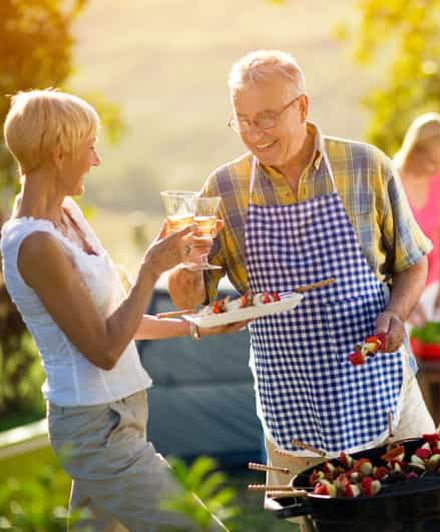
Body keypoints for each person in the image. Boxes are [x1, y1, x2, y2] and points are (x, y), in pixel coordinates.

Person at [166, 50, 436, 485]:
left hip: (381, 389)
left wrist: (397, 314)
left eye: (266, 118)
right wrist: (185, 262)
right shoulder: (224, 188)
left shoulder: (366, 166)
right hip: (291, 404)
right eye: (243, 120)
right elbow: (195, 303)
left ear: (303, 107)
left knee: (422, 505)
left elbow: (413, 263)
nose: (254, 134)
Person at [0, 89, 245, 530]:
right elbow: (105, 349)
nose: (96, 160)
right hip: (97, 428)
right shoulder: (34, 244)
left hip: (122, 415)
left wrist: (196, 326)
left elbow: (118, 320)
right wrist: (152, 267)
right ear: (59, 154)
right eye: (90, 147)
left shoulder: (68, 216)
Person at [394, 112, 440, 431]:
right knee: (414, 387)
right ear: (416, 150)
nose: (438, 170)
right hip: (402, 291)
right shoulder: (391, 180)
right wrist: (407, 301)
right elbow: (386, 252)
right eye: (432, 162)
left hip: (436, 288)